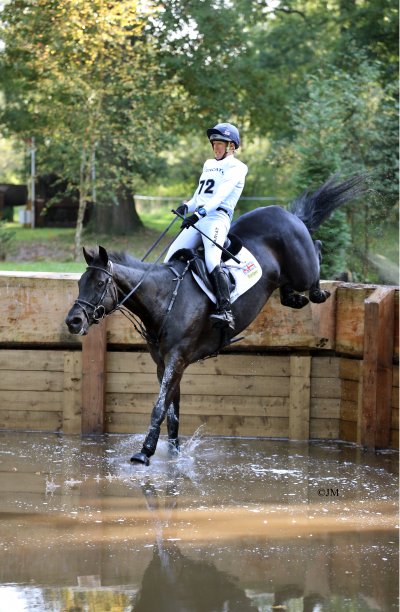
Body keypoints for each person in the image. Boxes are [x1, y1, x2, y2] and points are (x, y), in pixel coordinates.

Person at [164, 122, 248, 330]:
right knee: (170, 257)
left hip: (217, 218)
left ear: (231, 146)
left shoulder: (238, 167)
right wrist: (186, 207)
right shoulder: (209, 164)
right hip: (199, 217)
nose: (216, 147)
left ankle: (225, 310)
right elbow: (198, 197)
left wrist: (199, 212)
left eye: (221, 144)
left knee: (212, 260)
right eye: (214, 143)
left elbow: (219, 198)